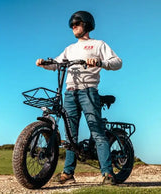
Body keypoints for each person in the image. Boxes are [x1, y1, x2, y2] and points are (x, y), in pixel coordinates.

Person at [36, 11, 122, 185]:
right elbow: (57, 63)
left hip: (88, 91)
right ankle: (68, 173)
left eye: (77, 24)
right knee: (70, 136)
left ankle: (107, 173)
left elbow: (117, 62)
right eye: (72, 25)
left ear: (87, 25)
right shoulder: (70, 48)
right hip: (70, 93)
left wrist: (99, 62)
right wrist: (44, 63)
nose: (73, 27)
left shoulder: (98, 44)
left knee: (97, 131)